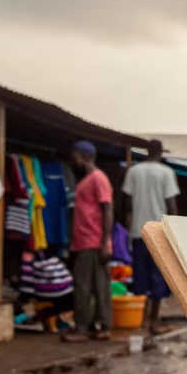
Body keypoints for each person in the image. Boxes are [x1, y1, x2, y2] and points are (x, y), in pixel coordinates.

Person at [123, 139, 179, 336]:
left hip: (138, 232)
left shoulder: (134, 171)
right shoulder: (166, 173)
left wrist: (130, 226)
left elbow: (127, 204)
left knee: (140, 277)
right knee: (157, 278)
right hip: (158, 234)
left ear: (147, 151)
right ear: (161, 152)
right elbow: (171, 206)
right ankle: (154, 322)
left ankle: (141, 320)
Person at [61, 141, 112, 343]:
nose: (73, 162)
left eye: (76, 157)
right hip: (83, 241)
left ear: (87, 156)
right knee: (88, 286)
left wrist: (105, 241)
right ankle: (94, 325)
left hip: (93, 240)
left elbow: (107, 209)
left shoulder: (98, 179)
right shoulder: (86, 181)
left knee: (89, 286)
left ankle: (86, 327)